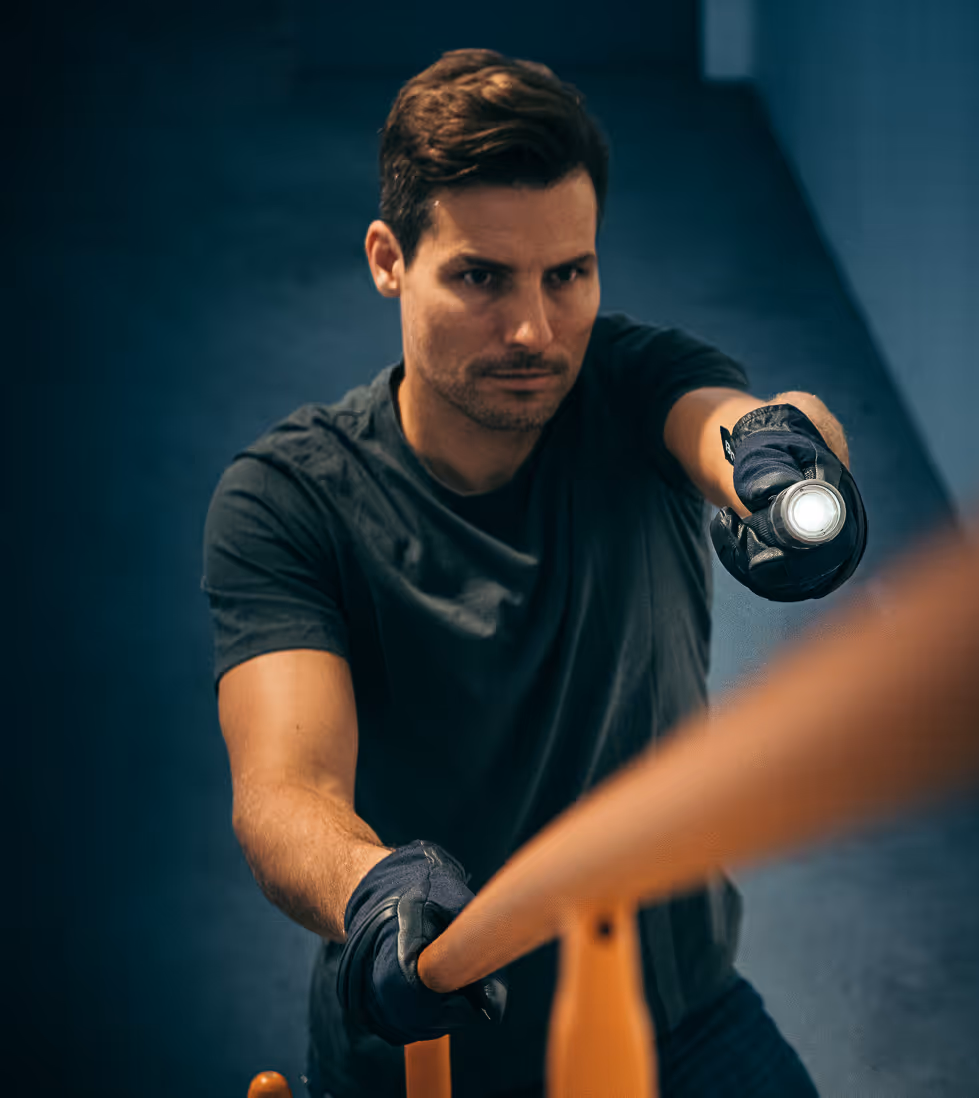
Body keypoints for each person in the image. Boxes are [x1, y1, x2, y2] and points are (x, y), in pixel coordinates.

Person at [202, 49, 865, 1097]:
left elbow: (742, 426)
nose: (534, 329)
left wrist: (792, 467)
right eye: (480, 276)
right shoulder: (287, 500)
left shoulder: (633, 380)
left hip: (678, 1017)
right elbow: (287, 792)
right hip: (424, 1049)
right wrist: (373, 889)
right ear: (388, 259)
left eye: (570, 275)